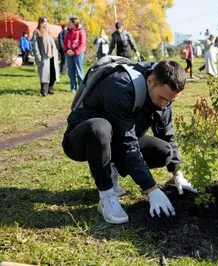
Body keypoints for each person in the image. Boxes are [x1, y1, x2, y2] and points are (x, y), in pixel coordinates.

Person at [62, 60, 196, 224]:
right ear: (150, 81)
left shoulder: (164, 93)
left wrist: (177, 173)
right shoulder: (121, 85)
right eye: (162, 98)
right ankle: (106, 196)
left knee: (164, 152)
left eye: (170, 101)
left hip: (118, 137)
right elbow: (126, 142)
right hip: (82, 140)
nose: (164, 105)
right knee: (100, 128)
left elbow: (166, 133)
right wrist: (152, 189)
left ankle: (111, 166)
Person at [32, 16, 60, 96]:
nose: (45, 23)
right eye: (43, 21)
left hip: (52, 56)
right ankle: (44, 90)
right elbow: (35, 45)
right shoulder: (37, 32)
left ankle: (50, 89)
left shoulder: (49, 32)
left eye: (47, 21)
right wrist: (38, 55)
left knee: (52, 72)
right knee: (44, 74)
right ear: (40, 22)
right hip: (44, 56)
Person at [63, 16, 86, 93]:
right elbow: (65, 42)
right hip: (69, 54)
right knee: (71, 71)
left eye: (69, 22)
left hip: (78, 54)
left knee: (79, 71)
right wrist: (66, 50)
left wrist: (75, 52)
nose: (68, 23)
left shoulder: (81, 31)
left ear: (73, 23)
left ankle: (81, 88)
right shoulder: (68, 31)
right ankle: (73, 88)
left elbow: (82, 44)